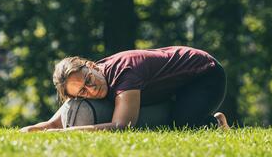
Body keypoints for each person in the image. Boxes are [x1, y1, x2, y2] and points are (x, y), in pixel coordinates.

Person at [20, 46, 229, 132]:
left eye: (89, 81)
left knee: (182, 124)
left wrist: (67, 133)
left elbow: (122, 125)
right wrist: (33, 129)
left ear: (91, 66)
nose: (91, 91)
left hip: (206, 75)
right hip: (179, 84)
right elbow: (53, 122)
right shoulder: (92, 77)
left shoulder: (124, 73)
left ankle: (218, 123)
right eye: (82, 92)